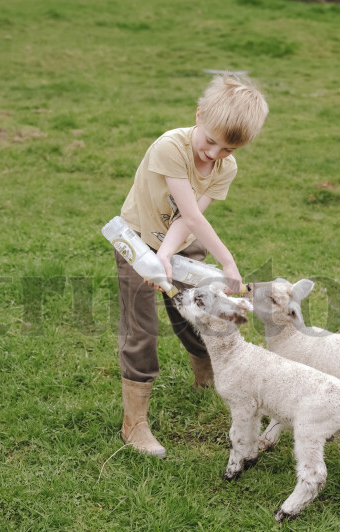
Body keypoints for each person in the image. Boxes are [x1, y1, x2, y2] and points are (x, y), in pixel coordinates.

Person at [113, 73, 269, 458]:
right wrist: (227, 261)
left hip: (180, 244)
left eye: (228, 149)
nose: (214, 155)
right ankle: (134, 422)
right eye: (211, 141)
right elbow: (190, 213)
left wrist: (168, 254)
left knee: (194, 313)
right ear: (199, 115)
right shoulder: (171, 147)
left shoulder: (224, 168)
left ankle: (204, 369)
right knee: (141, 329)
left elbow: (188, 221)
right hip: (137, 244)